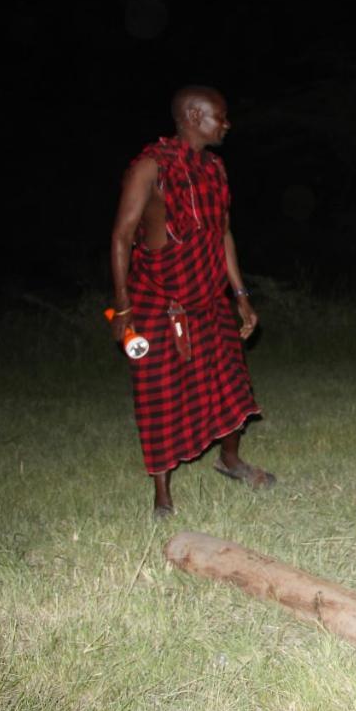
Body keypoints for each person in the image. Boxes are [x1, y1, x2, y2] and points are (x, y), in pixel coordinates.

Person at [110, 86, 275, 517]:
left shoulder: (215, 169)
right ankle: (162, 495)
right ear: (192, 116)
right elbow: (122, 236)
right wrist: (123, 306)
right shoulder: (150, 167)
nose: (226, 124)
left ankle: (231, 459)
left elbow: (222, 234)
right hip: (158, 302)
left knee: (230, 384)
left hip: (209, 296)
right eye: (220, 116)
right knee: (159, 392)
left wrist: (240, 295)